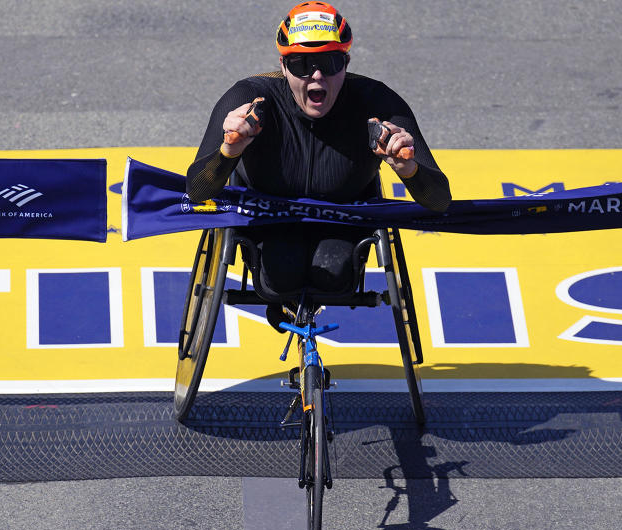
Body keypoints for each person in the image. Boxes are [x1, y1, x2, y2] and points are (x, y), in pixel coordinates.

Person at [186, 1, 451, 329]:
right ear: (283, 66)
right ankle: (284, 304)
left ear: (346, 63)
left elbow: (440, 200)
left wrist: (407, 168)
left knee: (334, 273)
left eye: (329, 62)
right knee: (280, 275)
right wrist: (229, 151)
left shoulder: (379, 103)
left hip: (342, 221)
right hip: (268, 223)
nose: (317, 76)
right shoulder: (248, 97)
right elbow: (197, 191)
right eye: (301, 64)